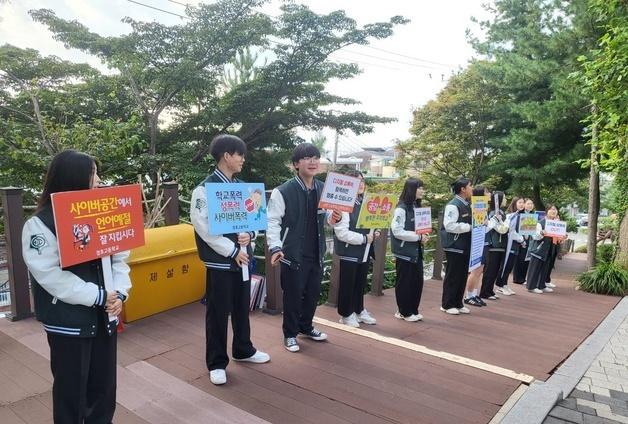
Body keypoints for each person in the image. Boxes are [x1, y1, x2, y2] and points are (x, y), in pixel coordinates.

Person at [22, 149, 131, 423]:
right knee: (71, 392)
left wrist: (120, 293)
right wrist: (100, 296)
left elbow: (119, 257)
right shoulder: (39, 224)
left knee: (104, 389)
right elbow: (50, 275)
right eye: (93, 174)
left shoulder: (104, 212)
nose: (98, 180)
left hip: (104, 315)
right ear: (74, 177)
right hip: (68, 322)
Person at [190, 134, 270, 386]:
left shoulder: (244, 187)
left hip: (242, 259)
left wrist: (250, 234)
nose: (243, 159)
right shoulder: (203, 189)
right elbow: (204, 228)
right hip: (222, 261)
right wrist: (233, 251)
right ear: (226, 155)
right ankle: (216, 362)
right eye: (239, 155)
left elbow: (256, 220)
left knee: (240, 307)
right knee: (217, 311)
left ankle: (243, 349)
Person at [267, 143, 331, 352]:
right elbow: (272, 221)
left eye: (316, 158)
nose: (313, 162)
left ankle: (306, 326)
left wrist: (335, 218)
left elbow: (330, 217)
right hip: (292, 253)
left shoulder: (323, 188)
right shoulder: (282, 191)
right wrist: (275, 247)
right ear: (296, 164)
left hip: (316, 251)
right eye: (307, 158)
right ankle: (290, 334)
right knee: (293, 295)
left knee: (312, 293)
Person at [330, 170, 379, 327]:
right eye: (356, 181)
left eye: (362, 181)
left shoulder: (365, 202)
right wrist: (364, 238)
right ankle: (345, 314)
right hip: (349, 251)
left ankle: (359, 310)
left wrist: (375, 232)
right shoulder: (343, 204)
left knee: (360, 283)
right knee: (348, 284)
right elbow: (342, 233)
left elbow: (370, 224)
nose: (361, 184)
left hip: (364, 251)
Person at [390, 177, 427, 322]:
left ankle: (413, 309)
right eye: (419, 187)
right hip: (404, 252)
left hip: (416, 252)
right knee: (404, 282)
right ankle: (403, 311)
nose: (422, 190)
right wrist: (418, 237)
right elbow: (397, 231)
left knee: (417, 281)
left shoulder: (416, 206)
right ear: (412, 189)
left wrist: (424, 235)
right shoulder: (401, 208)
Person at [440, 177, 473, 315]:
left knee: (462, 275)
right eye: (470, 186)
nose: (472, 188)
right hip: (454, 245)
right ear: (463, 189)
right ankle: (447, 304)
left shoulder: (465, 204)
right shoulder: (453, 205)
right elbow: (449, 225)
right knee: (453, 275)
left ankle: (458, 302)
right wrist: (469, 227)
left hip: (464, 245)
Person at [526, 204, 565, 293]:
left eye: (555, 209)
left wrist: (563, 237)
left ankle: (541, 285)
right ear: (546, 211)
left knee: (545, 268)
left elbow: (558, 238)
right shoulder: (540, 222)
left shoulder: (557, 224)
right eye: (551, 209)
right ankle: (531, 287)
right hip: (539, 249)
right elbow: (535, 236)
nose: (553, 211)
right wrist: (542, 233)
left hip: (550, 249)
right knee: (535, 268)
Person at [480, 191, 511, 299]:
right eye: (505, 198)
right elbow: (501, 229)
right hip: (494, 244)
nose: (506, 200)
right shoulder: (495, 212)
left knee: (495, 269)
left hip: (500, 244)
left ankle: (490, 290)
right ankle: (485, 292)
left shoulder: (501, 212)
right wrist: (507, 225)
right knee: (490, 270)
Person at [463, 186, 490, 307]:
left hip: (483, 240)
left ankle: (474, 294)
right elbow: (477, 225)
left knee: (480, 270)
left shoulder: (483, 207)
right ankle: (468, 296)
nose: (489, 194)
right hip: (478, 242)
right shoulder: (475, 206)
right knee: (475, 270)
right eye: (487, 192)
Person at [495, 197, 525, 295]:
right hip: (509, 244)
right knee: (505, 265)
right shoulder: (510, 216)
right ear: (514, 204)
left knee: (510, 266)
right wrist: (521, 239)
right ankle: (500, 285)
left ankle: (505, 284)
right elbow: (511, 231)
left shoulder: (521, 216)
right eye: (519, 202)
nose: (522, 204)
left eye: (523, 203)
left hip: (516, 244)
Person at [512, 198, 535, 284]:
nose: (530, 205)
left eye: (532, 204)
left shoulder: (532, 215)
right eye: (528, 204)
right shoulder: (519, 214)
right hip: (520, 240)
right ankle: (517, 278)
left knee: (526, 259)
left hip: (529, 240)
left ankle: (523, 278)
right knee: (520, 259)